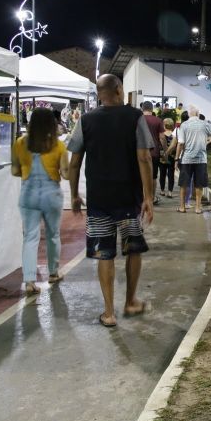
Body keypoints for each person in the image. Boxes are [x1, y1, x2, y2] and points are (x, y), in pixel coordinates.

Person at [67, 74, 154, 328]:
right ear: (118, 90)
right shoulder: (135, 117)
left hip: (99, 199)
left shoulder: (85, 120)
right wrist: (148, 197)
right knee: (133, 248)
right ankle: (130, 301)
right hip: (129, 198)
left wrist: (74, 194)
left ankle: (109, 312)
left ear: (99, 93)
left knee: (105, 253)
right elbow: (144, 158)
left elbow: (74, 162)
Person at [11, 108, 69, 294]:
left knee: (30, 237)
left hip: (28, 194)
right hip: (51, 195)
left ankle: (29, 280)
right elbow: (65, 174)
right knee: (53, 235)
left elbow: (14, 171)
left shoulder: (20, 143)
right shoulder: (58, 146)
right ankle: (53, 272)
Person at [176, 107, 211, 213]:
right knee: (199, 184)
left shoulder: (184, 125)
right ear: (198, 114)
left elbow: (181, 143)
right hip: (201, 159)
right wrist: (210, 140)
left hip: (187, 159)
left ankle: (182, 207)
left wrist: (176, 158)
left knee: (184, 184)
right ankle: (198, 208)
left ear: (189, 115)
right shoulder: (204, 124)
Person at [141, 101, 166, 204]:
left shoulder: (138, 120)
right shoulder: (158, 120)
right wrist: (165, 151)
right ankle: (151, 198)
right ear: (152, 109)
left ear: (142, 109)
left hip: (140, 153)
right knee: (153, 176)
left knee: (142, 176)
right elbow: (162, 138)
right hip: (154, 153)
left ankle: (143, 197)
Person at [158, 118, 176, 198]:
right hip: (172, 156)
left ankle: (162, 190)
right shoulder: (174, 135)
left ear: (164, 125)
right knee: (171, 174)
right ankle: (170, 192)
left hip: (162, 156)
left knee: (162, 174)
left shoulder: (161, 134)